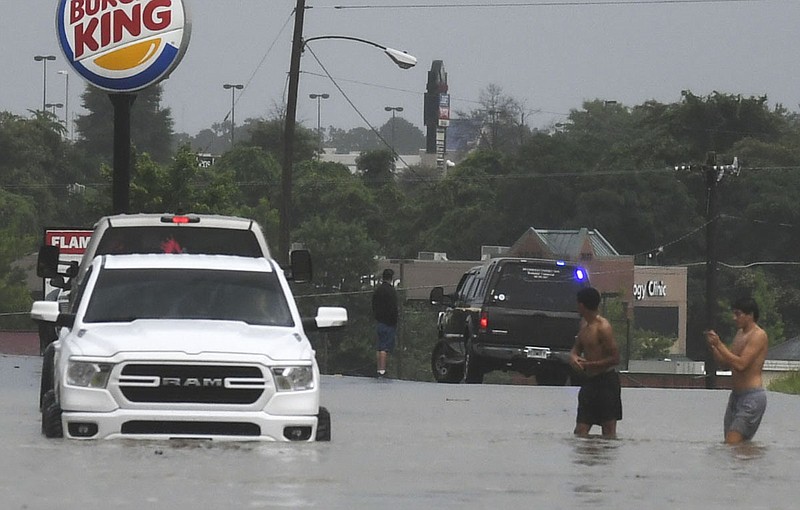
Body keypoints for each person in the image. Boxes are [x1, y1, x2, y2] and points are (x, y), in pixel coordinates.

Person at [705, 297, 768, 444]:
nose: (734, 318)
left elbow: (741, 365)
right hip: (736, 397)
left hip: (752, 398)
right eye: (733, 313)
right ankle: (747, 465)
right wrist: (713, 347)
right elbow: (726, 365)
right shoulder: (740, 334)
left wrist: (719, 344)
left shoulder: (759, 335)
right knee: (732, 447)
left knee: (731, 443)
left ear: (750, 315)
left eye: (738, 314)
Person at [569, 286, 622, 438]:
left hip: (606, 383)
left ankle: (605, 460)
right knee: (580, 431)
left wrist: (587, 365)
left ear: (581, 305)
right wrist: (573, 357)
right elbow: (576, 349)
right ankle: (585, 460)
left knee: (608, 432)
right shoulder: (584, 326)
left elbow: (615, 358)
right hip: (589, 383)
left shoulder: (603, 327)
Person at [372, 268, 398, 378]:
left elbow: (373, 305)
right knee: (384, 348)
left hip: (380, 321)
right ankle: (382, 371)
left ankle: (379, 368)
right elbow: (394, 307)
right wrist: (394, 320)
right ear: (391, 278)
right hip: (389, 323)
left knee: (379, 347)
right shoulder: (391, 291)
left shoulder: (378, 290)